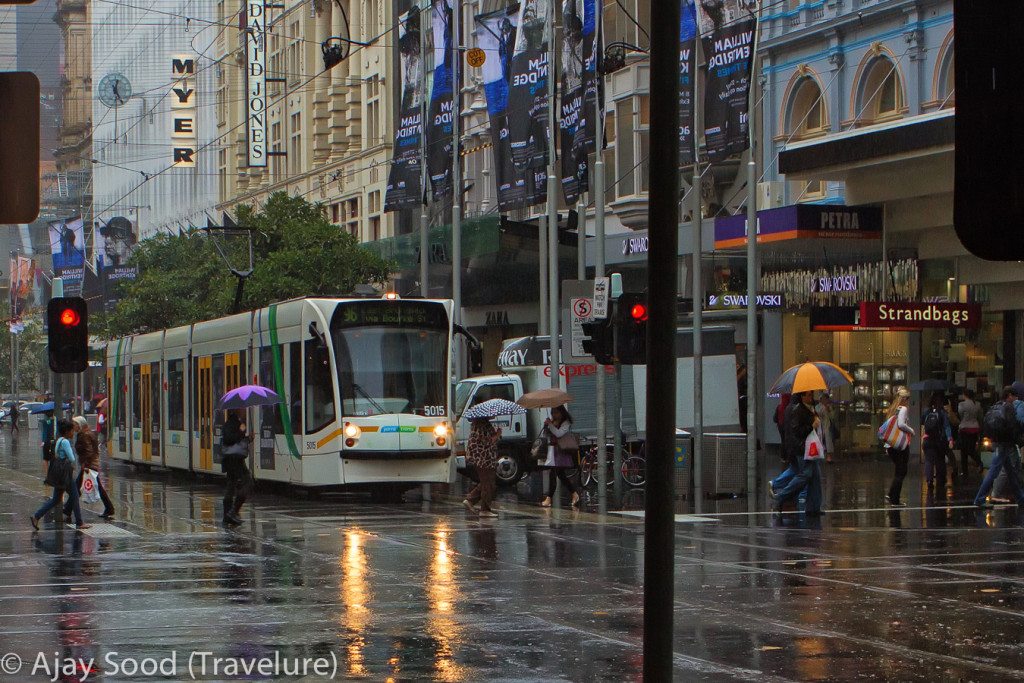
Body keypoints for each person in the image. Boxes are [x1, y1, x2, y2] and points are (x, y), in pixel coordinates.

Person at [30, 419, 89, 530]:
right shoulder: (66, 442)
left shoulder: (59, 440)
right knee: (75, 496)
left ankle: (36, 516)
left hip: (59, 474)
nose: (73, 433)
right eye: (72, 431)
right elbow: (71, 458)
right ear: (67, 431)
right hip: (65, 474)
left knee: (56, 499)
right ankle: (80, 522)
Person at [973, 386, 1024, 508]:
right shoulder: (1008, 407)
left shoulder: (996, 405)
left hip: (997, 440)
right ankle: (979, 498)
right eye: (1014, 396)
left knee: (1010, 472)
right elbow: (1012, 426)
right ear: (1009, 396)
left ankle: (1020, 498)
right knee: (993, 470)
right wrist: (1017, 440)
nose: (1016, 399)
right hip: (1005, 442)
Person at [772, 391, 822, 515]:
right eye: (808, 395)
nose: (811, 397)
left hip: (809, 448)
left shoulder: (808, 409)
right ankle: (781, 496)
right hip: (801, 448)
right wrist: (812, 426)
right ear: (802, 396)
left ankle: (813, 507)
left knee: (815, 476)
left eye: (811, 395)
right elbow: (797, 431)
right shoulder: (798, 410)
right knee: (806, 474)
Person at [62, 416, 114, 520]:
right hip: (90, 465)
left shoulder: (84, 435)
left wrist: (85, 465)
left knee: (78, 488)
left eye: (75, 424)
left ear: (80, 424)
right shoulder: (86, 433)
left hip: (88, 466)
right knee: (83, 487)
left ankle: (68, 508)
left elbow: (89, 451)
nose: (74, 426)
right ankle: (68, 508)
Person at [539, 405, 580, 509]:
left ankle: (549, 499)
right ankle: (574, 494)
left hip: (561, 452)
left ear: (562, 412)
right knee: (559, 474)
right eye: (553, 413)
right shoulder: (552, 422)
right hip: (552, 451)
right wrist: (546, 426)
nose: (554, 415)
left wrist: (551, 425)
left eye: (556, 412)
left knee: (555, 473)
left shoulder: (566, 422)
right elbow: (546, 435)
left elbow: (559, 434)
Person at [463, 418, 501, 517]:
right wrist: (497, 435)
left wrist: (496, 434)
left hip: (485, 458)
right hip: (484, 459)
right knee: (488, 483)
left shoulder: (481, 425)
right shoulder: (481, 426)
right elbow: (486, 442)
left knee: (487, 482)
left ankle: (470, 499)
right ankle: (485, 510)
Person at [220, 412, 252, 526]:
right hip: (233, 460)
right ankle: (233, 511)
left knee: (231, 485)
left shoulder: (235, 422)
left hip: (233, 459)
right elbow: (230, 439)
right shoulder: (232, 423)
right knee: (247, 481)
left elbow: (236, 440)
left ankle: (227, 514)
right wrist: (241, 431)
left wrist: (247, 438)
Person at [884, 389, 914, 507]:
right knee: (901, 471)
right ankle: (894, 498)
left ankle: (893, 495)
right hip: (900, 445)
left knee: (899, 471)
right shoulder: (903, 409)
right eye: (908, 399)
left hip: (892, 445)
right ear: (905, 399)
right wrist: (911, 430)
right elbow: (901, 424)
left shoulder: (893, 409)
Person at [922, 391, 955, 494]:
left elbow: (922, 421)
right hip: (939, 441)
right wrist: (950, 439)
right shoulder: (942, 413)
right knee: (940, 460)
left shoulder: (926, 411)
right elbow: (946, 427)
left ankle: (929, 480)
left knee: (929, 461)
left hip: (927, 439)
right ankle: (941, 480)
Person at [958, 388, 983, 476]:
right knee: (971, 448)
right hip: (975, 429)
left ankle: (966, 470)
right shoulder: (977, 404)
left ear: (965, 395)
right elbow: (980, 417)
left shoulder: (961, 404)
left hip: (964, 429)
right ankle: (978, 462)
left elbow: (960, 415)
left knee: (964, 450)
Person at [816, 392, 837, 464]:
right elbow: (817, 414)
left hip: (827, 426)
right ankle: (820, 457)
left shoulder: (829, 407)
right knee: (820, 441)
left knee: (828, 442)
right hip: (819, 426)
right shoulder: (818, 406)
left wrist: (829, 410)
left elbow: (833, 417)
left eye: (826, 399)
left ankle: (829, 457)